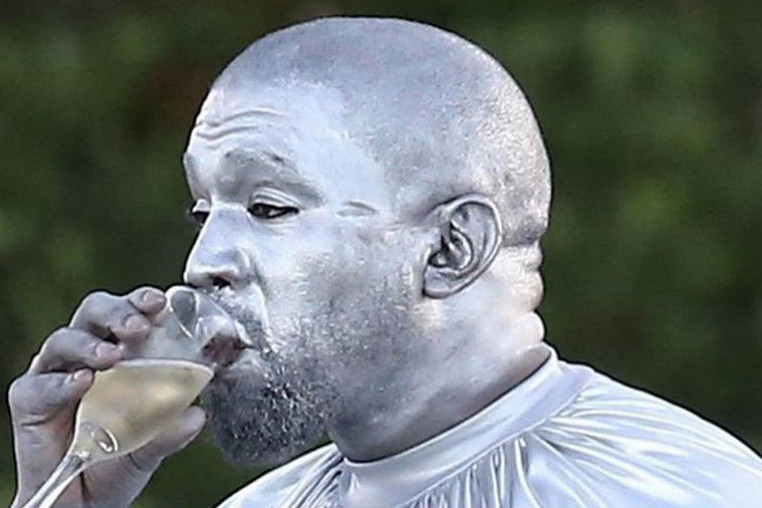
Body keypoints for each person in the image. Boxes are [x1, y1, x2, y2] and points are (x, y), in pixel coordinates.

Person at [8, 17, 762, 508]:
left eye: (268, 207)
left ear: (452, 248)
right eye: (203, 212)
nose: (202, 263)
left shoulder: (662, 489)